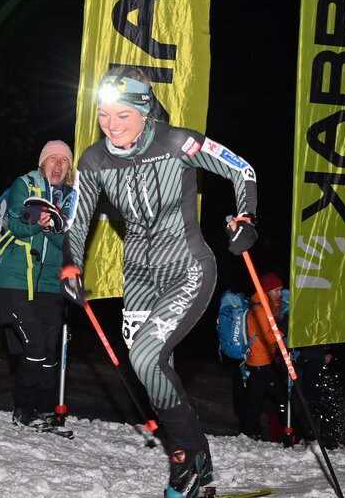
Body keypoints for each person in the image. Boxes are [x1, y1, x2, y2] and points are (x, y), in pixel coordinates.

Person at [62, 68, 258, 498]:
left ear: (145, 111)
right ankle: (198, 455)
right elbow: (78, 220)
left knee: (147, 356)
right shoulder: (94, 160)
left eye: (123, 116)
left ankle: (185, 459)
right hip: (137, 276)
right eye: (103, 115)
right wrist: (71, 265)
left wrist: (245, 218)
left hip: (187, 268)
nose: (111, 126)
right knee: (148, 367)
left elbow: (241, 170)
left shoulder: (176, 142)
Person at [0, 139, 75, 432]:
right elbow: (15, 225)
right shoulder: (25, 184)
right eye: (53, 159)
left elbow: (70, 244)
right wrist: (43, 224)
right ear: (42, 163)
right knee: (35, 347)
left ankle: (45, 409)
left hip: (51, 283)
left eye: (64, 161)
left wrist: (51, 226)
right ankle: (23, 411)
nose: (58, 165)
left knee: (49, 354)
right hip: (16, 278)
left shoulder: (73, 197)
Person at [241, 272, 289, 442]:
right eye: (276, 290)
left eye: (281, 290)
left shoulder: (266, 305)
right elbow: (268, 337)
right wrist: (284, 331)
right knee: (282, 397)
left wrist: (276, 304)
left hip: (260, 360)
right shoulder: (260, 309)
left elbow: (273, 318)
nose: (280, 294)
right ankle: (289, 434)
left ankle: (251, 432)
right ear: (267, 291)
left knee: (256, 398)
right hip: (260, 361)